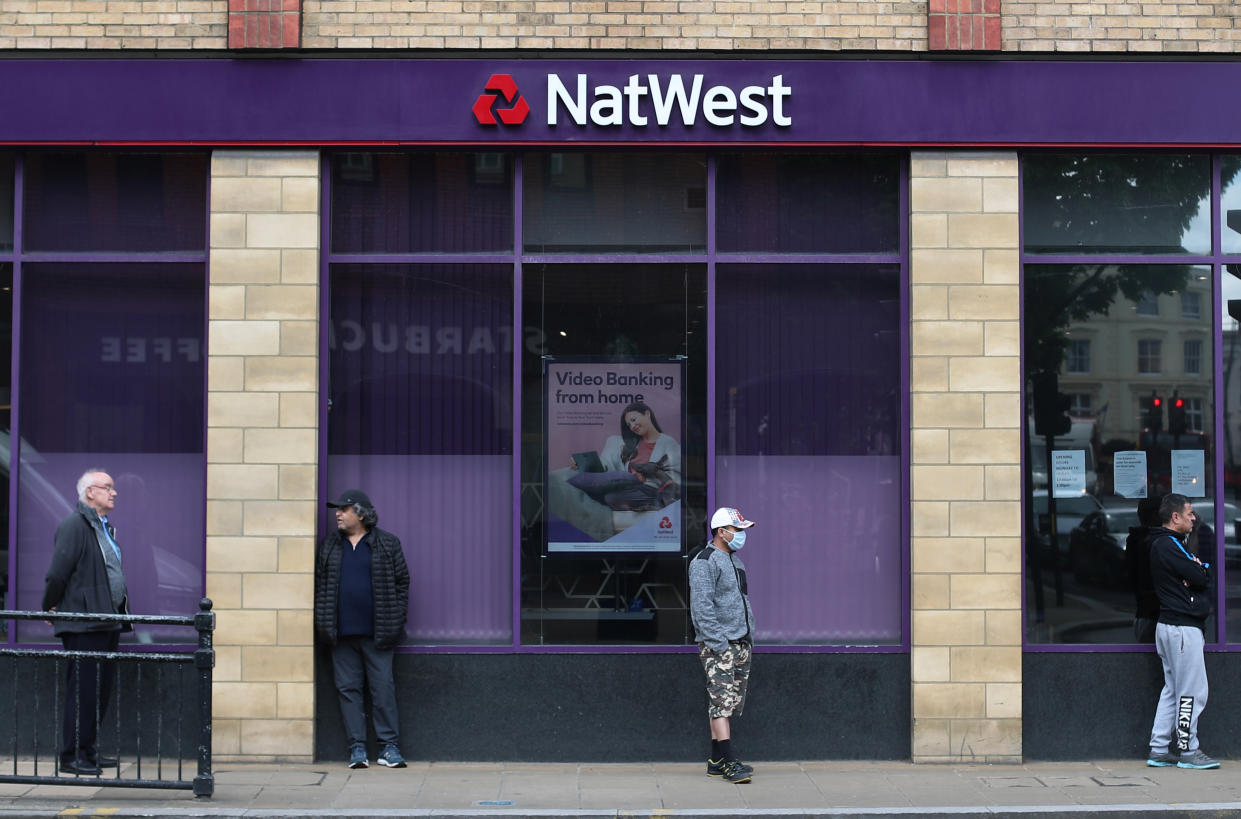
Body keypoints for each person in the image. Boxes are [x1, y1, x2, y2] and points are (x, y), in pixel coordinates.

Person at [314, 489, 410, 770]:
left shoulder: (387, 543)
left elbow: (402, 583)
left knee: (383, 690)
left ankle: (389, 748)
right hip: (340, 634)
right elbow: (320, 585)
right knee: (348, 690)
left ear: (362, 513)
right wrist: (323, 622)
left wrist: (396, 616)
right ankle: (357, 748)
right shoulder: (330, 545)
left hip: (378, 634)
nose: (338, 514)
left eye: (344, 509)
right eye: (337, 510)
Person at [41, 469, 128, 776]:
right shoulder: (74, 525)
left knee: (99, 691)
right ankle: (72, 756)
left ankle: (88, 751)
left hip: (105, 620)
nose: (113, 492)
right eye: (108, 487)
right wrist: (49, 605)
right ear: (90, 492)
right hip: (84, 622)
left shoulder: (103, 527)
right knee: (83, 691)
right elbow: (58, 572)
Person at [1145, 493, 1218, 770]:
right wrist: (1197, 569)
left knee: (1173, 690)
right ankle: (1189, 750)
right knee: (1192, 691)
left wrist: (1198, 570)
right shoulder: (1168, 545)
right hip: (1182, 629)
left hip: (1172, 627)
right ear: (1174, 517)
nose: (1194, 518)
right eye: (1189, 513)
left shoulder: (1169, 544)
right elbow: (1200, 576)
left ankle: (1159, 748)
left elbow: (1200, 574)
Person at [688, 507, 757, 784]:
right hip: (720, 646)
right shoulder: (704, 561)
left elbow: (741, 601)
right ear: (721, 531)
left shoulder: (735, 561)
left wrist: (746, 639)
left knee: (728, 703)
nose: (740, 535)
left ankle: (716, 760)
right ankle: (728, 762)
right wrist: (720, 645)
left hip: (739, 643)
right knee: (720, 704)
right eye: (736, 530)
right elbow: (701, 608)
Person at [1125, 495, 1163, 643]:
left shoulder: (1137, 540)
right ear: (1156, 514)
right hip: (1153, 614)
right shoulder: (1151, 542)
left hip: (1147, 612)